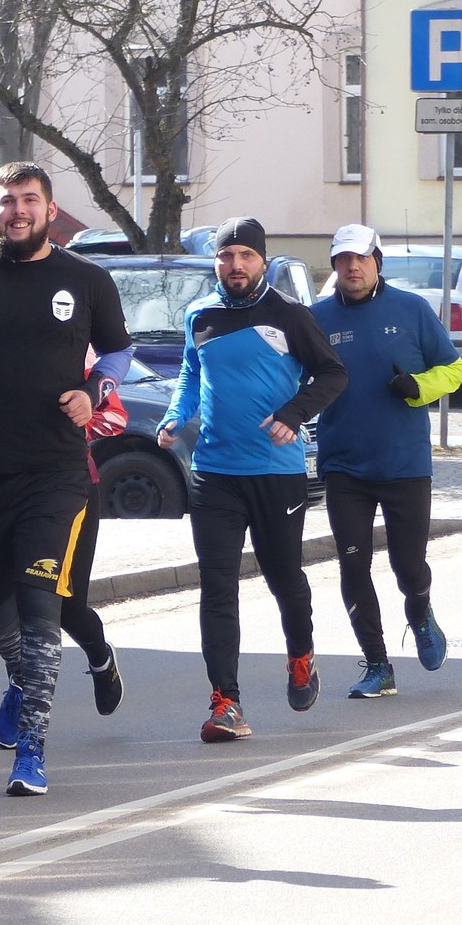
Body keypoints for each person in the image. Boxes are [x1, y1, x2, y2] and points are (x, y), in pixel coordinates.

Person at [0, 162, 133, 796]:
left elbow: (118, 352)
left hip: (56, 472)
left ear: (50, 209)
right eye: (6, 200)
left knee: (43, 609)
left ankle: (33, 749)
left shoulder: (86, 279)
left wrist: (96, 390)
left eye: (29, 199)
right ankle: (21, 676)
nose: (18, 210)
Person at [158, 215, 347, 743]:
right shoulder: (200, 314)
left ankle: (301, 656)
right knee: (217, 588)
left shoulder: (289, 315)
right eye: (226, 256)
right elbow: (191, 375)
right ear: (216, 261)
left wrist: (294, 413)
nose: (235, 265)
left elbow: (333, 373)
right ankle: (226, 703)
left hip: (275, 473)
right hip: (213, 473)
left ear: (263, 261)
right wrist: (175, 416)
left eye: (246, 256)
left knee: (284, 577)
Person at [310, 224, 462, 696]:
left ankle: (420, 611)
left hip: (404, 464)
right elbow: (292, 377)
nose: (352, 267)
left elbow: (453, 368)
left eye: (361, 258)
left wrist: (419, 387)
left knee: (408, 566)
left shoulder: (411, 309)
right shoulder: (316, 317)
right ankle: (378, 665)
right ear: (334, 265)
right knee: (352, 567)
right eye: (343, 259)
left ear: (377, 261)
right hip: (345, 465)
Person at [62, 361, 129, 716]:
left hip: (74, 487)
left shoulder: (78, 358)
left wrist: (75, 421)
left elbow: (117, 417)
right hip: (6, 486)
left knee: (67, 605)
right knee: (11, 601)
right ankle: (20, 691)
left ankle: (101, 661)